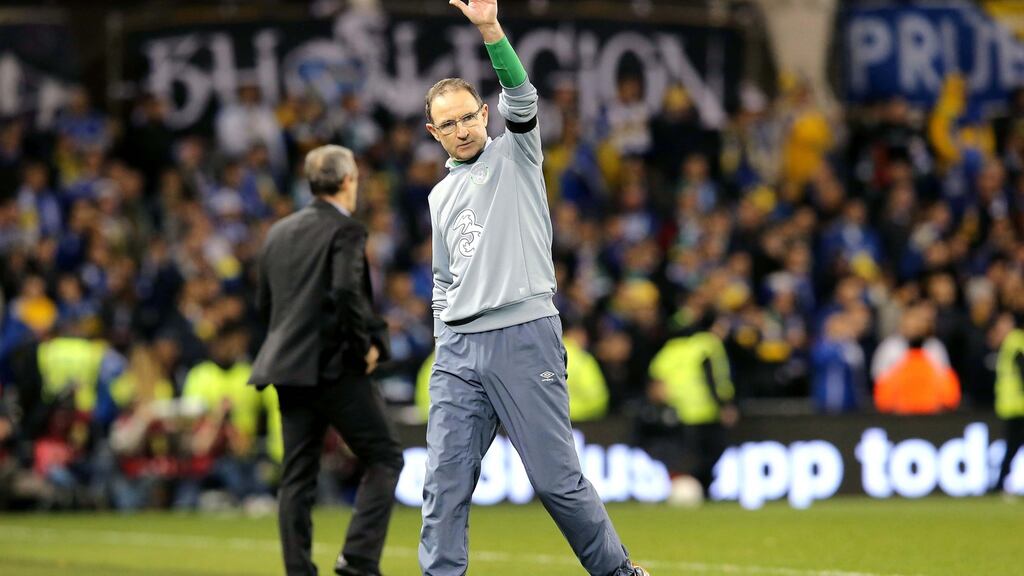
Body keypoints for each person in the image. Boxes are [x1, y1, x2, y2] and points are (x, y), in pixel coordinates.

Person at [419, 2, 649, 575]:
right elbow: (444, 278)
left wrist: (491, 32)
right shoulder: (437, 196)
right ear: (433, 133)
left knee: (554, 481)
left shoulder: (516, 155)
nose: (461, 129)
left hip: (523, 335)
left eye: (468, 116)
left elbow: (522, 96)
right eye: (446, 124)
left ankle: (619, 574)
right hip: (458, 350)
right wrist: (445, 332)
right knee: (442, 486)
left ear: (485, 114)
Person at [249, 144, 403, 576]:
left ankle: (299, 570)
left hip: (287, 368)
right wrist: (364, 348)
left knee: (297, 475)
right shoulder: (346, 230)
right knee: (385, 456)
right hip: (335, 367)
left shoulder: (278, 232)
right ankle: (357, 560)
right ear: (349, 180)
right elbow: (345, 292)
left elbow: (265, 305)